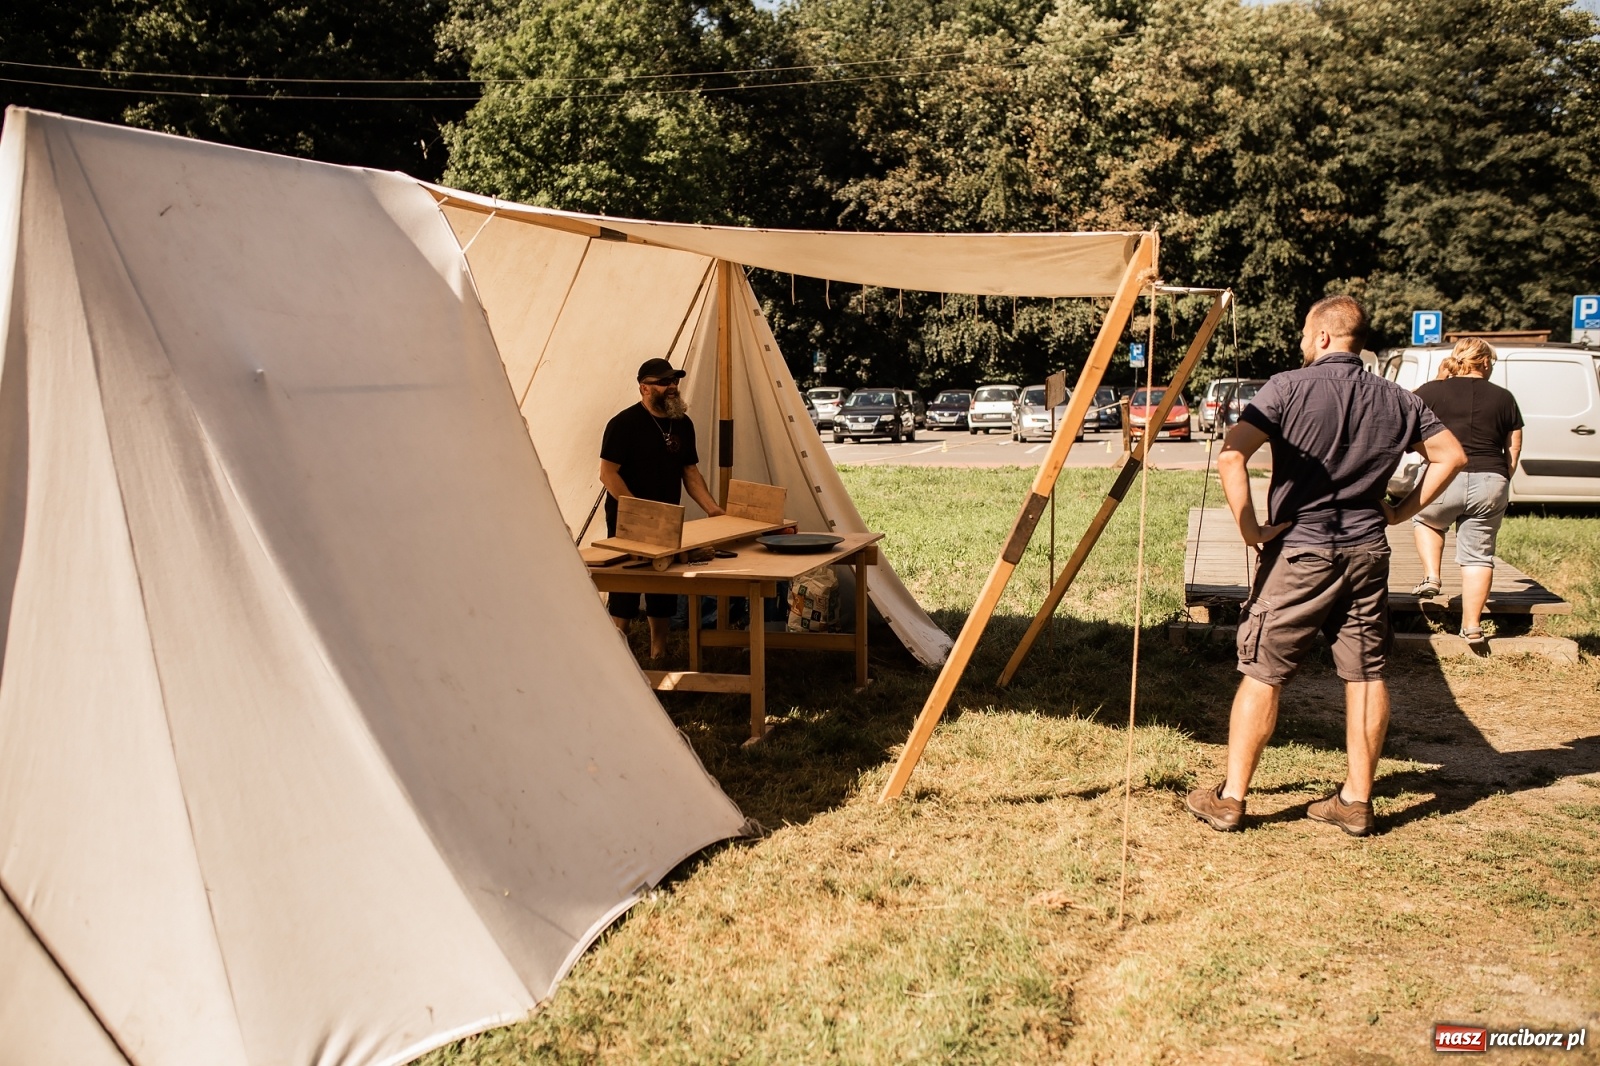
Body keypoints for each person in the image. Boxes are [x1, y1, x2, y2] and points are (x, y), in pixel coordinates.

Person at [1185, 296, 1466, 838]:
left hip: (1300, 550)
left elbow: (1230, 454)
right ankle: (1357, 801)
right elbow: (1451, 455)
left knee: (1264, 670)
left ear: (1320, 338)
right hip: (1367, 551)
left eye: (1302, 336)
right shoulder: (1398, 397)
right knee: (1365, 673)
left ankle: (1231, 797)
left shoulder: (1287, 386)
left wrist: (1250, 531)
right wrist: (1402, 511)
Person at [599, 358, 724, 660]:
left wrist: (713, 509)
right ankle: (618, 654)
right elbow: (608, 473)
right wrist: (635, 510)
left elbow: (690, 473)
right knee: (626, 583)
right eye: (664, 382)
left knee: (662, 583)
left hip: (667, 518)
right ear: (644, 387)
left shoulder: (683, 423)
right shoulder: (623, 424)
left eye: (674, 381)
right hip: (628, 519)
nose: (672, 387)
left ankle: (659, 651)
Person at [1408, 338, 1523, 654]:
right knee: (1478, 555)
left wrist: (1425, 454)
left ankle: (1432, 576)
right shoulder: (1504, 398)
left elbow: (1404, 424)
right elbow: (1513, 446)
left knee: (1428, 520)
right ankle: (1472, 626)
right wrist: (1503, 475)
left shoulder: (1431, 391)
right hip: (1490, 479)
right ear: (1485, 362)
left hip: (1443, 476)